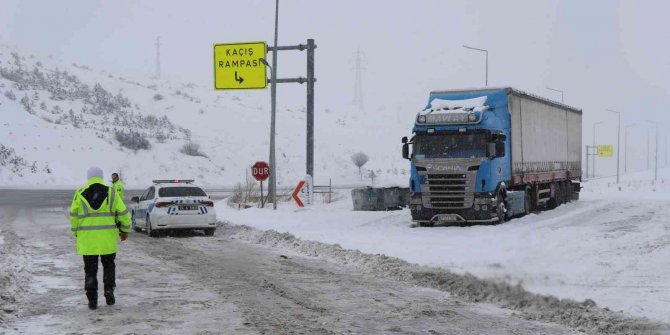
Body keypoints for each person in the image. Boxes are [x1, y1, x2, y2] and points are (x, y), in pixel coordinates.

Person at [69, 166, 131, 310]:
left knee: (90, 270)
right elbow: (123, 213)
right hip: (107, 239)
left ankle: (92, 299)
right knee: (109, 266)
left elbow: (74, 215)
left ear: (88, 177)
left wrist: (76, 232)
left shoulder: (80, 193)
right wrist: (124, 230)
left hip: (87, 240)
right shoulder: (111, 192)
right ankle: (109, 290)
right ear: (101, 176)